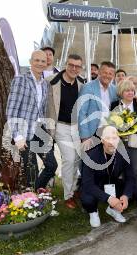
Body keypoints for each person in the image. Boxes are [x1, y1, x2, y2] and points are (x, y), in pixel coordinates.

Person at [6, 50, 57, 189]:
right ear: (30, 62)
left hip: (40, 132)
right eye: (37, 60)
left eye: (43, 61)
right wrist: (17, 136)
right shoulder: (20, 80)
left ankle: (35, 192)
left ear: (47, 63)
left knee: (52, 165)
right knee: (32, 171)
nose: (40, 63)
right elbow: (11, 110)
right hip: (24, 134)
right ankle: (33, 201)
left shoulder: (45, 84)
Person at [46, 54, 85, 209]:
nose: (74, 69)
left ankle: (75, 189)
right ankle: (68, 195)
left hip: (77, 127)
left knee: (77, 159)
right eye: (71, 65)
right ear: (65, 64)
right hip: (60, 126)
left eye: (77, 66)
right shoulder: (51, 81)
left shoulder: (82, 82)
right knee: (69, 159)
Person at [80, 126, 134, 228]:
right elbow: (87, 183)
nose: (111, 142)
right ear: (102, 140)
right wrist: (109, 198)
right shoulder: (90, 156)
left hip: (112, 182)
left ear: (119, 139)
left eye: (114, 138)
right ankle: (93, 211)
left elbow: (130, 177)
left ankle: (113, 210)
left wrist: (126, 195)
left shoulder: (125, 153)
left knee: (132, 191)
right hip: (95, 184)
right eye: (107, 138)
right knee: (87, 199)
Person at [110, 79, 137, 209]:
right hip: (119, 144)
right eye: (127, 90)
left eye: (132, 90)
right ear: (121, 92)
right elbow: (112, 124)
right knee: (121, 171)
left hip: (136, 143)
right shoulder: (114, 105)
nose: (130, 93)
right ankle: (124, 196)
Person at [78, 61, 118, 149]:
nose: (107, 75)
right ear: (99, 72)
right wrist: (85, 136)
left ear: (113, 76)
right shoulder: (88, 87)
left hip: (109, 133)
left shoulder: (115, 90)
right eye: (105, 72)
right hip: (92, 133)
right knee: (90, 161)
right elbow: (81, 112)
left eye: (110, 73)